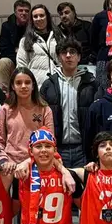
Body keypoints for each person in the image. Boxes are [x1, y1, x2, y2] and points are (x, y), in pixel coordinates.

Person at [40, 37, 98, 168]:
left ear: (79, 57)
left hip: (83, 150)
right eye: (64, 52)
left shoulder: (92, 84)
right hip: (58, 149)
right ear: (59, 57)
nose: (68, 56)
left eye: (72, 52)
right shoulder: (48, 85)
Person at [0, 66, 54, 170]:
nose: (23, 86)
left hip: (37, 165)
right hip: (11, 166)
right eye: (19, 83)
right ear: (12, 86)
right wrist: (4, 161)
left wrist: (30, 161)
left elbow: (50, 142)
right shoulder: (5, 110)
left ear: (33, 85)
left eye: (27, 82)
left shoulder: (45, 109)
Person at [17, 4, 59, 87]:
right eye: (35, 16)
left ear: (47, 17)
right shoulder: (25, 41)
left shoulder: (60, 37)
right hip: (37, 86)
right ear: (32, 20)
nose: (39, 19)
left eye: (42, 15)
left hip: (57, 85)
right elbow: (21, 65)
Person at [0, 0, 31, 95]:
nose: (24, 13)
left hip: (30, 60)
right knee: (3, 61)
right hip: (12, 60)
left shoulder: (33, 27)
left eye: (26, 11)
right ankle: (2, 96)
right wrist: (19, 54)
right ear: (15, 13)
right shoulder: (6, 26)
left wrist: (19, 51)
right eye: (21, 10)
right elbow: (4, 48)